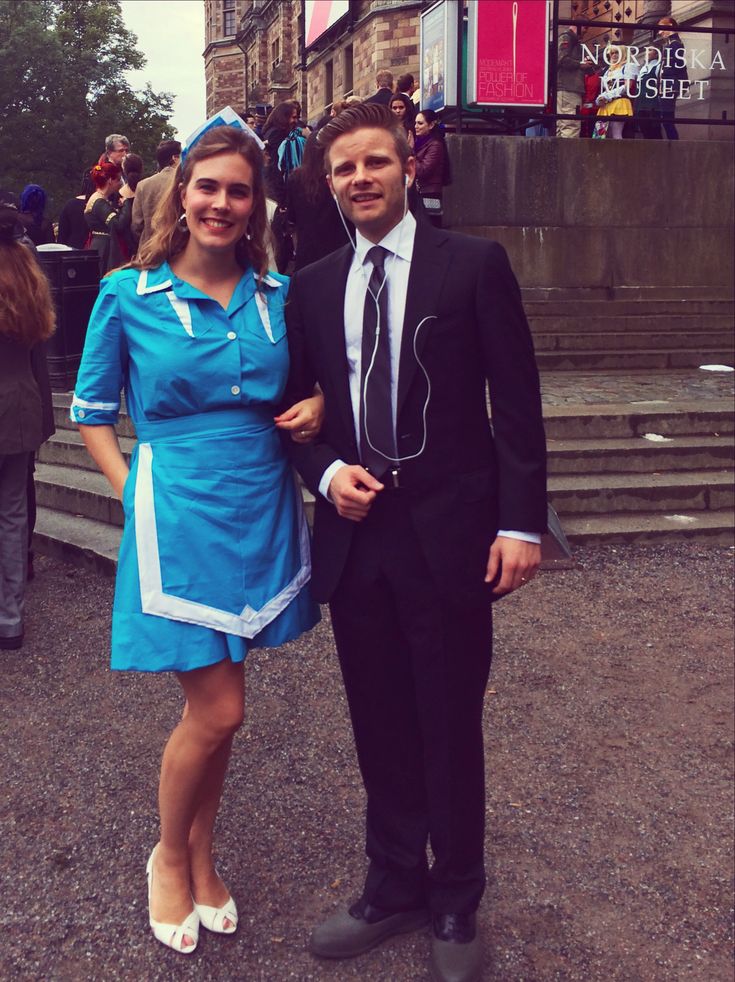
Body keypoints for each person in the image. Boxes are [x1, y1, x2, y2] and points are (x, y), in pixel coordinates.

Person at [283, 103, 546, 982]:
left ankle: (455, 896)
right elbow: (291, 416)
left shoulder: (470, 265)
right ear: (328, 185)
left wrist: (520, 522)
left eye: (374, 163)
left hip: (452, 537)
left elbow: (515, 404)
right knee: (380, 720)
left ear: (407, 169)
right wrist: (323, 473)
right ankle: (393, 883)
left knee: (447, 720)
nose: (359, 179)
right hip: (358, 543)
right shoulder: (314, 285)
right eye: (342, 169)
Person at [71, 117, 322, 955]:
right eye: (207, 186)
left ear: (257, 206)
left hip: (259, 506)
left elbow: (321, 389)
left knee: (223, 713)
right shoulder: (126, 294)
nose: (220, 202)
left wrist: (319, 406)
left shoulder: (282, 297)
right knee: (218, 708)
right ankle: (170, 858)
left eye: (237, 190)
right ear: (182, 194)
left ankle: (204, 854)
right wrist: (131, 488)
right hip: (174, 508)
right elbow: (92, 413)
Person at [0, 206, 56, 649]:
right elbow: (39, 350)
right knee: (13, 512)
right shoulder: (26, 273)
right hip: (20, 403)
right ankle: (10, 618)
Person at [284, 134, 352, 271]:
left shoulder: (296, 178)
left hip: (308, 251)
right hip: (339, 249)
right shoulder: (339, 178)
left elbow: (291, 216)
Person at [131, 139, 182, 249]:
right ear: (174, 158)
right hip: (177, 249)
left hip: (148, 250)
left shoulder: (142, 185)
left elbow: (136, 225)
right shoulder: (184, 182)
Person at [83, 161, 131, 273]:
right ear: (110, 181)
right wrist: (126, 204)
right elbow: (117, 225)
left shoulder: (99, 199)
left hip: (102, 246)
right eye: (118, 180)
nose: (120, 183)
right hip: (105, 250)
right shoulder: (99, 202)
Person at [413, 109, 449, 226]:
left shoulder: (435, 145)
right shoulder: (419, 143)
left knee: (430, 228)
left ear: (431, 125)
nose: (416, 126)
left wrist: (410, 152)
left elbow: (423, 171)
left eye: (420, 123)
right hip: (418, 193)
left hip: (429, 194)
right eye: (415, 123)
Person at [556, 23, 592, 137]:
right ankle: (567, 154)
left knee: (564, 125)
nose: (585, 33)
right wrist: (581, 65)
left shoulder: (571, 40)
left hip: (567, 89)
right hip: (569, 88)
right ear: (578, 26)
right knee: (570, 124)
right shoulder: (567, 38)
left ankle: (561, 153)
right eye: (585, 29)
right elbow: (562, 60)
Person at [656, 16, 689, 140]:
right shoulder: (671, 44)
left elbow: (678, 68)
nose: (659, 32)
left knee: (667, 120)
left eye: (661, 29)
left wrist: (676, 85)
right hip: (666, 87)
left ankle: (674, 147)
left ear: (669, 26)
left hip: (669, 87)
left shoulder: (675, 44)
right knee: (666, 120)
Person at [594, 45, 635, 140]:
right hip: (606, 104)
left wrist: (608, 96)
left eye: (617, 52)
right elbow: (604, 89)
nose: (614, 55)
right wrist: (599, 99)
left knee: (616, 135)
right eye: (612, 53)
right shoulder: (608, 70)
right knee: (600, 136)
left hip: (620, 103)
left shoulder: (628, 66)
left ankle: (619, 155)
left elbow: (627, 86)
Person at [58, 173, 96, 249]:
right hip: (94, 251)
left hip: (72, 252)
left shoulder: (69, 205)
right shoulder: (100, 204)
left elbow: (62, 236)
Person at [635, 46, 663, 139]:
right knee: (644, 130)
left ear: (656, 54)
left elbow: (661, 83)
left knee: (654, 130)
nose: (647, 52)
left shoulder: (658, 66)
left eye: (650, 50)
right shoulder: (643, 68)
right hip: (641, 103)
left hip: (652, 103)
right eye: (646, 50)